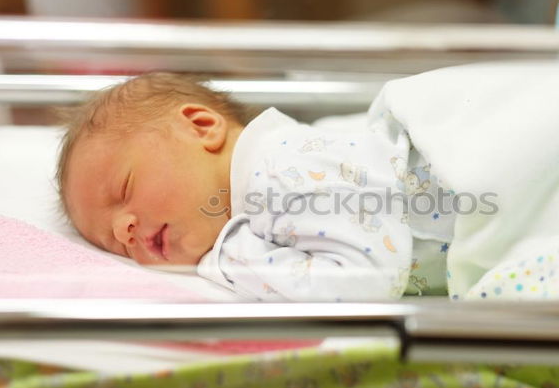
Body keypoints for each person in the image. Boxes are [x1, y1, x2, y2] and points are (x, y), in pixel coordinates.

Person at [57, 72, 455, 301]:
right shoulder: (275, 179)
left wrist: (226, 257)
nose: (123, 230)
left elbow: (365, 284)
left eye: (124, 189)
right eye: (112, 243)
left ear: (201, 126)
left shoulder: (282, 169)